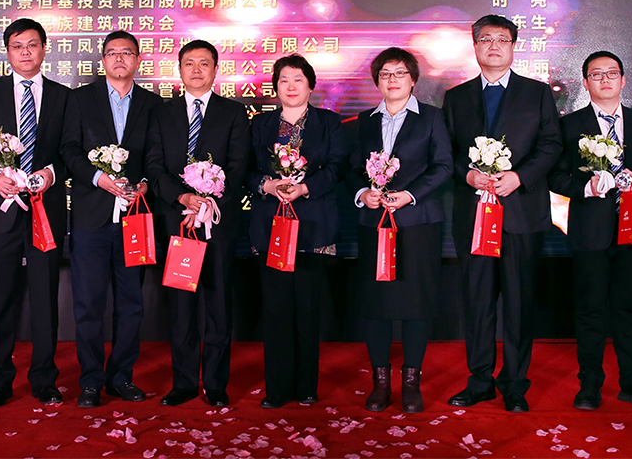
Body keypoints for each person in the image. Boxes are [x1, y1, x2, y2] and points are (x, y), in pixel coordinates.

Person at [442, 13, 561, 412]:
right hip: (473, 215)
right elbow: (447, 153)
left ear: (514, 46)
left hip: (521, 213)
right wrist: (468, 175)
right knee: (477, 301)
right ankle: (479, 381)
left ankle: (514, 384)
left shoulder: (537, 93)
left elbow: (551, 145)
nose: (494, 46)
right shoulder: (456, 97)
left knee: (519, 301)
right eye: (486, 39)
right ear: (475, 46)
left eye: (502, 39)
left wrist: (519, 177)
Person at [0, 17, 71, 407]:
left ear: (44, 49)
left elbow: (70, 152)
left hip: (45, 211)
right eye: (18, 46)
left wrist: (50, 174)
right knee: (0, 298)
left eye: (32, 44)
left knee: (45, 297)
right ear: (7, 52)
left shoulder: (63, 96)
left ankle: (44, 379)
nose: (26, 52)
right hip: (0, 211)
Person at [551, 50, 632, 412]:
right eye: (596, 74)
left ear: (623, 80)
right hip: (591, 230)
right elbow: (555, 176)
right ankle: (590, 382)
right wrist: (586, 187)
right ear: (585, 82)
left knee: (628, 307)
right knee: (590, 308)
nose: (605, 80)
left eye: (612, 73)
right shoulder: (570, 125)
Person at [146, 38, 250, 407]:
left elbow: (238, 166)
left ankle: (216, 384)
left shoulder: (233, 113)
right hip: (177, 222)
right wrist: (183, 198)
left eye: (204, 63)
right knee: (181, 305)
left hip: (218, 222)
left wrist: (208, 200)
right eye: (189, 63)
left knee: (218, 304)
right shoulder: (162, 112)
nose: (196, 69)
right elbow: (154, 166)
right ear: (179, 69)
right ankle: (185, 382)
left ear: (215, 70)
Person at [59, 29, 161, 407]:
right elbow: (69, 149)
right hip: (91, 216)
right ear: (102, 61)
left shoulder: (153, 104)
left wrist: (146, 183)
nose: (119, 59)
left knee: (131, 303)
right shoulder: (79, 99)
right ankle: (90, 381)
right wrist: (98, 178)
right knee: (88, 303)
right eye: (112, 53)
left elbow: (157, 154)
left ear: (138, 60)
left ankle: (121, 377)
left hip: (136, 216)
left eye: (127, 53)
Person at [350, 47, 451, 414]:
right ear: (377, 81)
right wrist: (363, 193)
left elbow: (443, 166)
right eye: (385, 74)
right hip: (374, 223)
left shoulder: (432, 118)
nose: (392, 79)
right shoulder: (363, 121)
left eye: (399, 73)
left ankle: (411, 382)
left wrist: (410, 195)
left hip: (418, 223)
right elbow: (351, 169)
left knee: (416, 303)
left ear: (413, 80)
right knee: (375, 304)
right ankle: (380, 383)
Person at [246, 53, 347, 408]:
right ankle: (277, 388)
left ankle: (306, 386)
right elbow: (244, 170)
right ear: (275, 86)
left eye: (298, 79)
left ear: (311, 85)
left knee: (307, 309)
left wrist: (305, 187)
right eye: (284, 80)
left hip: (313, 227)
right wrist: (266, 184)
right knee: (275, 310)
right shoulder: (260, 124)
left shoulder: (328, 122)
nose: (291, 86)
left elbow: (337, 167)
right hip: (271, 226)